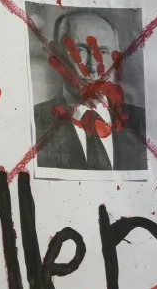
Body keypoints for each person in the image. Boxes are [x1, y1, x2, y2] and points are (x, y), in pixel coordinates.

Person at [34, 10, 148, 171]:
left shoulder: (142, 124)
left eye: (103, 52)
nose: (93, 66)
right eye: (79, 50)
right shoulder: (35, 123)